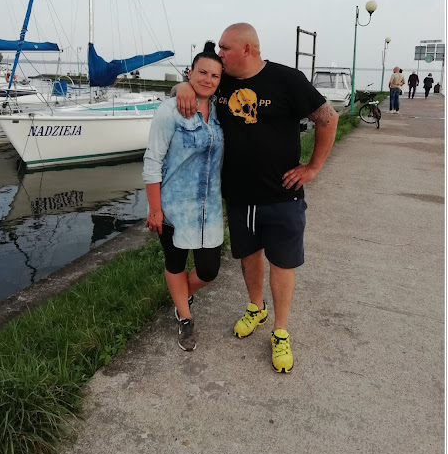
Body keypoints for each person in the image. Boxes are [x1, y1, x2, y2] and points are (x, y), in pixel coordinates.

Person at [176, 23, 338, 373]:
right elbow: (194, 84)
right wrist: (183, 86)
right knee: (249, 256)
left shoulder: (287, 80)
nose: (219, 54)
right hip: (239, 196)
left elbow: (328, 119)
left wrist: (313, 167)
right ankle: (255, 307)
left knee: (282, 262)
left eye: (224, 48)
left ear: (246, 49)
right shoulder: (223, 80)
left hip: (282, 196)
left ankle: (280, 331)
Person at [143, 50, 224, 352]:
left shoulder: (221, 112)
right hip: (173, 206)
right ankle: (184, 315)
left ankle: (181, 297)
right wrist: (155, 209)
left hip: (209, 209)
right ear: (190, 73)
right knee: (175, 262)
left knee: (209, 271)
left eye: (215, 75)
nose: (208, 79)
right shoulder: (169, 111)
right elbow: (152, 161)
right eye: (202, 72)